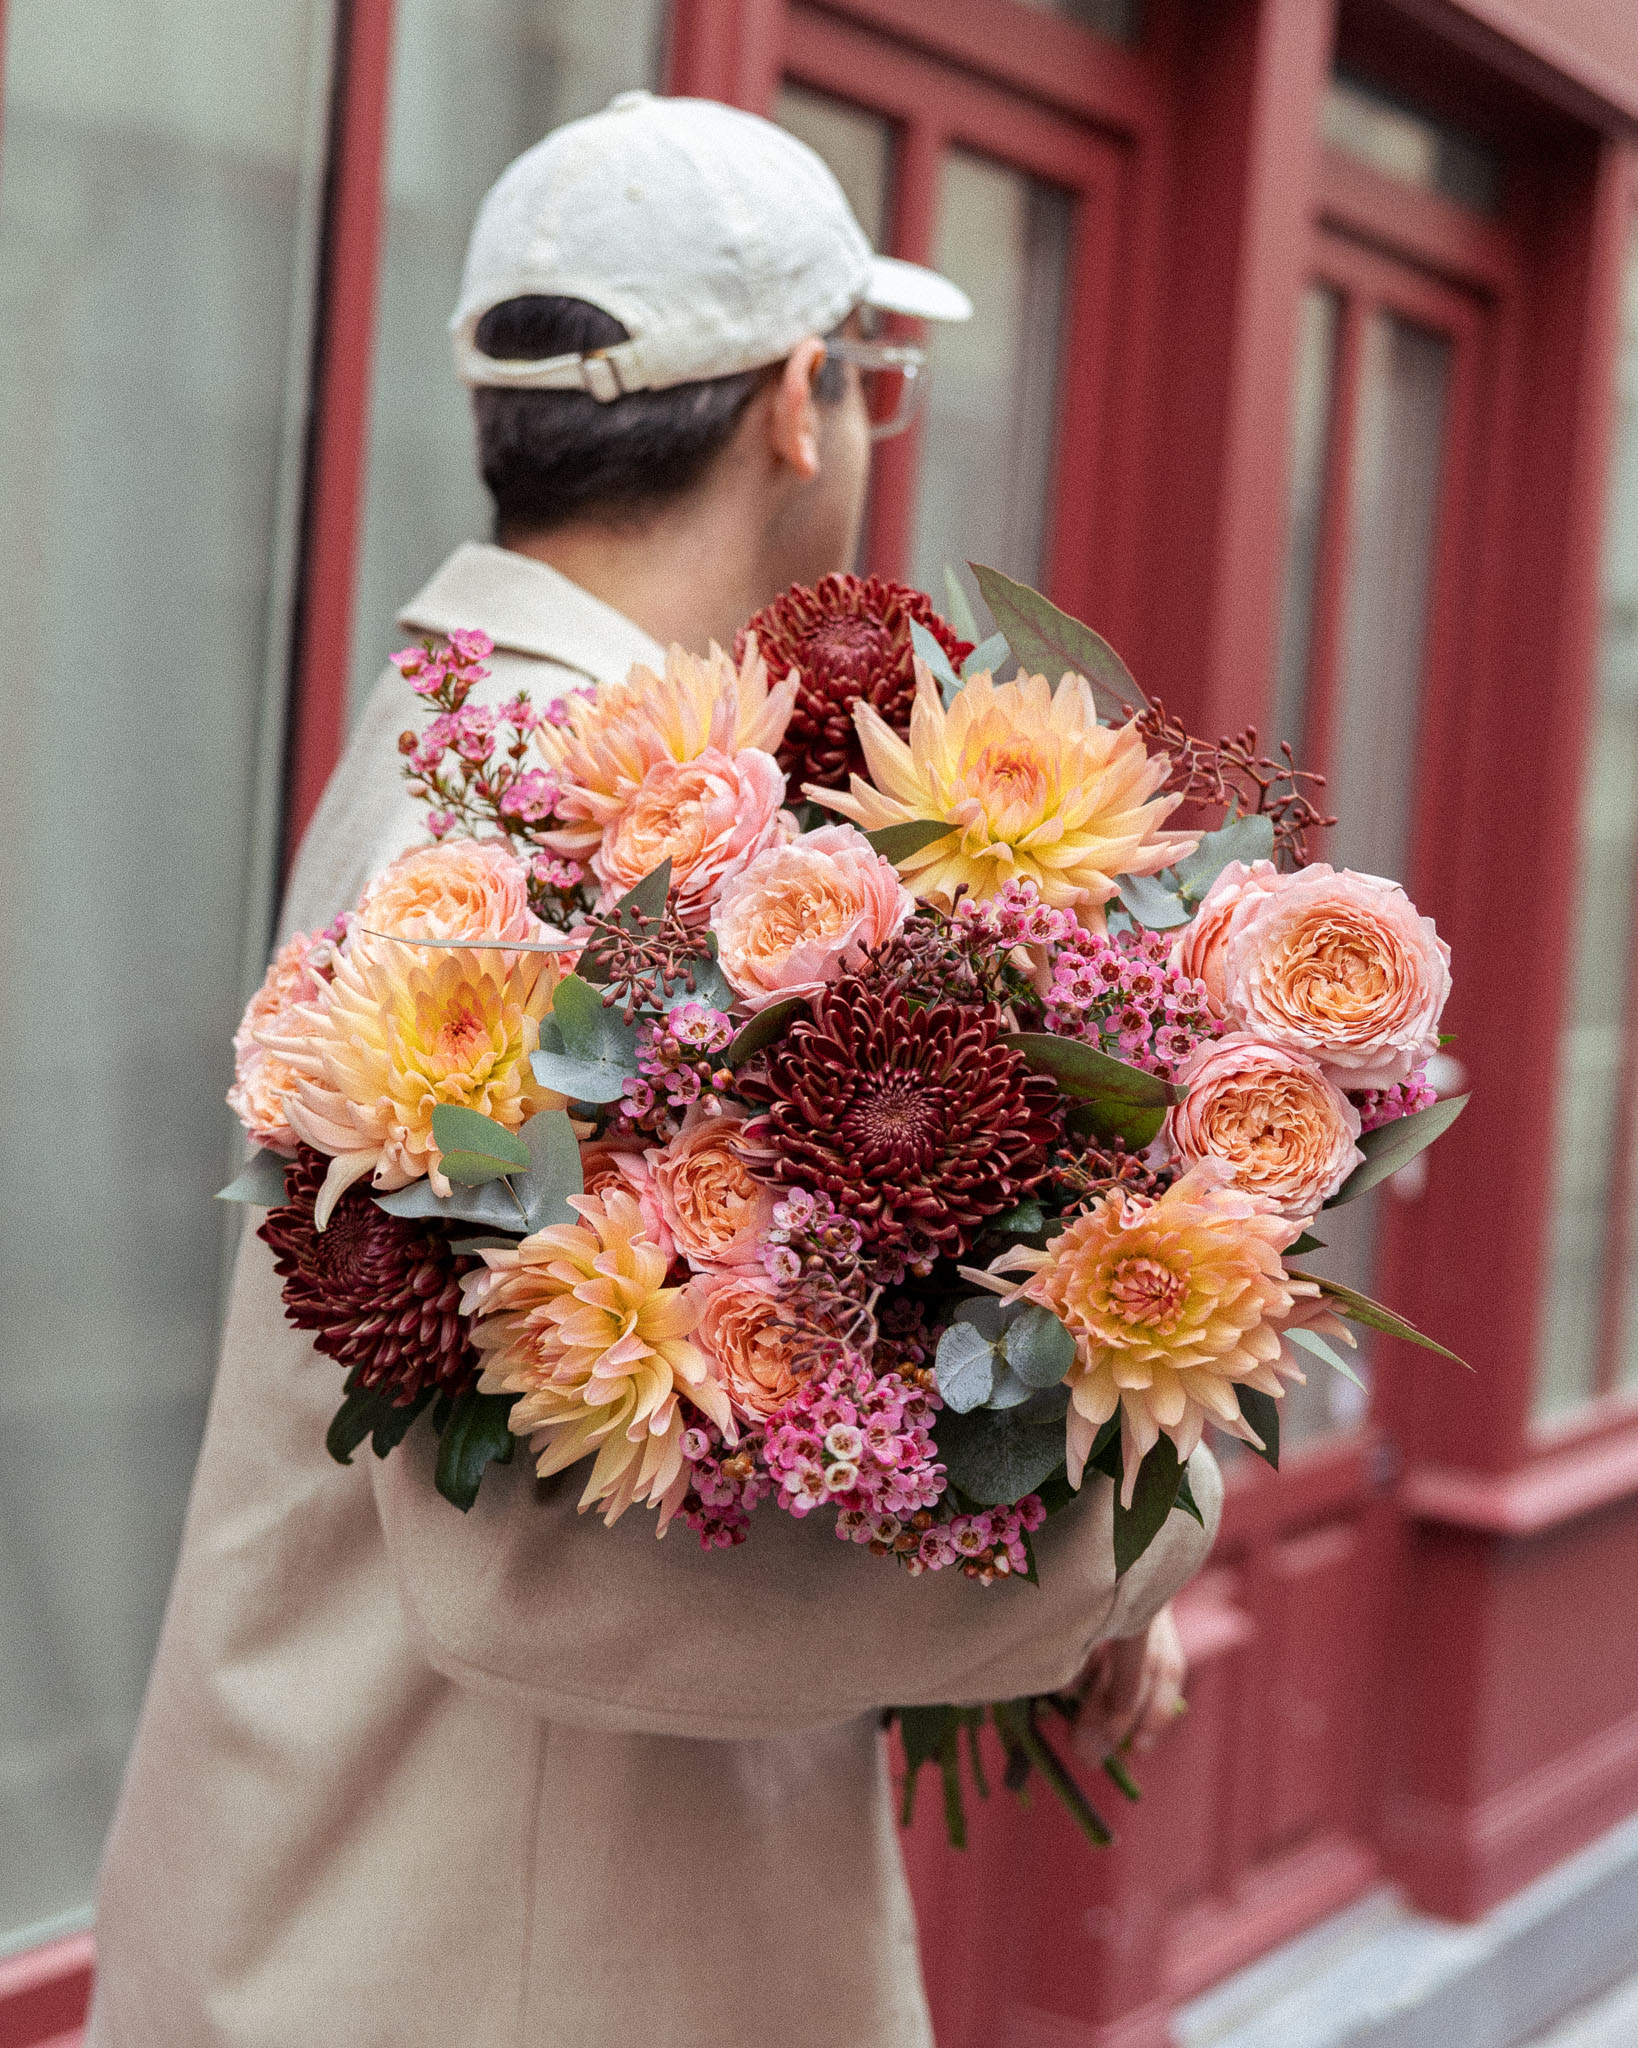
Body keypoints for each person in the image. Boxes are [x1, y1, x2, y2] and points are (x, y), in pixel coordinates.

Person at [87, 93, 1216, 2048]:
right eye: (874, 380)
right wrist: (1110, 1537)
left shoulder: (486, 730)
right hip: (467, 1953)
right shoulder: (546, 836)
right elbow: (528, 1565)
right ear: (801, 403)